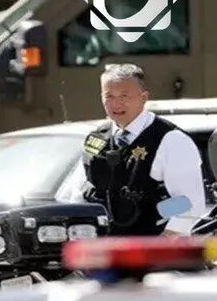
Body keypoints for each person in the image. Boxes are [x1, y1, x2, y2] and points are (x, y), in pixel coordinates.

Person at [76, 63, 206, 236]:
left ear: (143, 97)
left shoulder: (170, 140)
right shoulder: (97, 139)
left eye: (124, 96)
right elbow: (78, 193)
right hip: (102, 244)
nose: (116, 103)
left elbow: (188, 202)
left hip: (149, 244)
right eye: (109, 96)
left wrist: (158, 223)